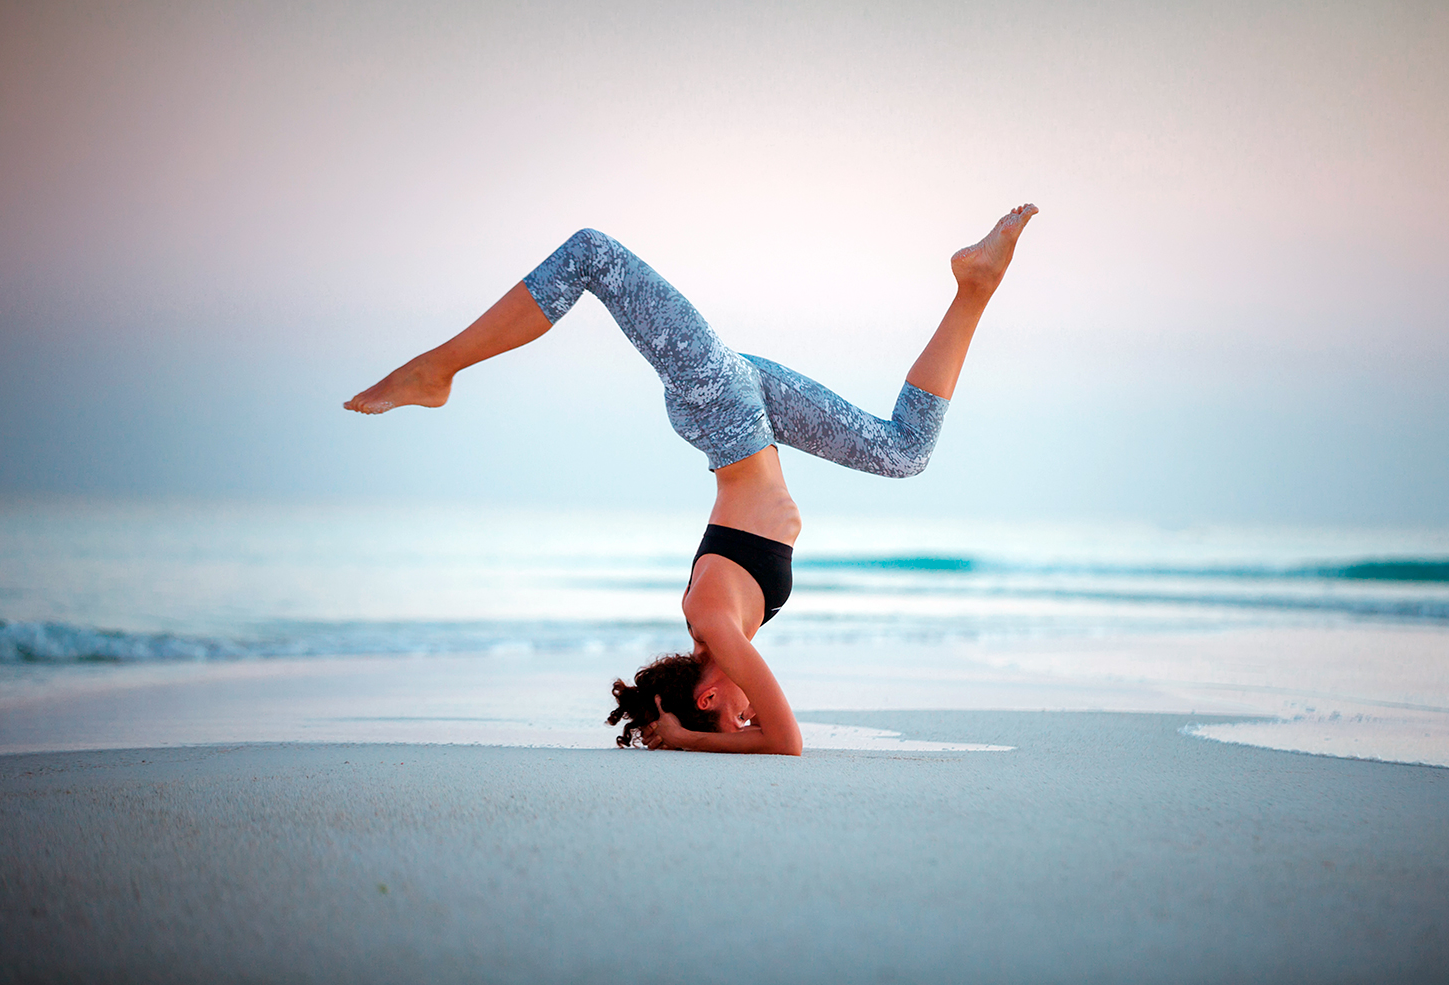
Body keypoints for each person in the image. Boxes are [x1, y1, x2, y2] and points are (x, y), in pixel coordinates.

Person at [345, 204, 1039, 755]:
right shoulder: (717, 630)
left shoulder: (713, 625)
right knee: (904, 451)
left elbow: (785, 742)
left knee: (593, 253)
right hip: (747, 408)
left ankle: (438, 369)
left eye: (733, 720)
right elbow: (768, 732)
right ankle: (974, 284)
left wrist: (682, 739)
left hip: (722, 405)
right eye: (743, 723)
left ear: (708, 699)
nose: (748, 717)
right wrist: (675, 728)